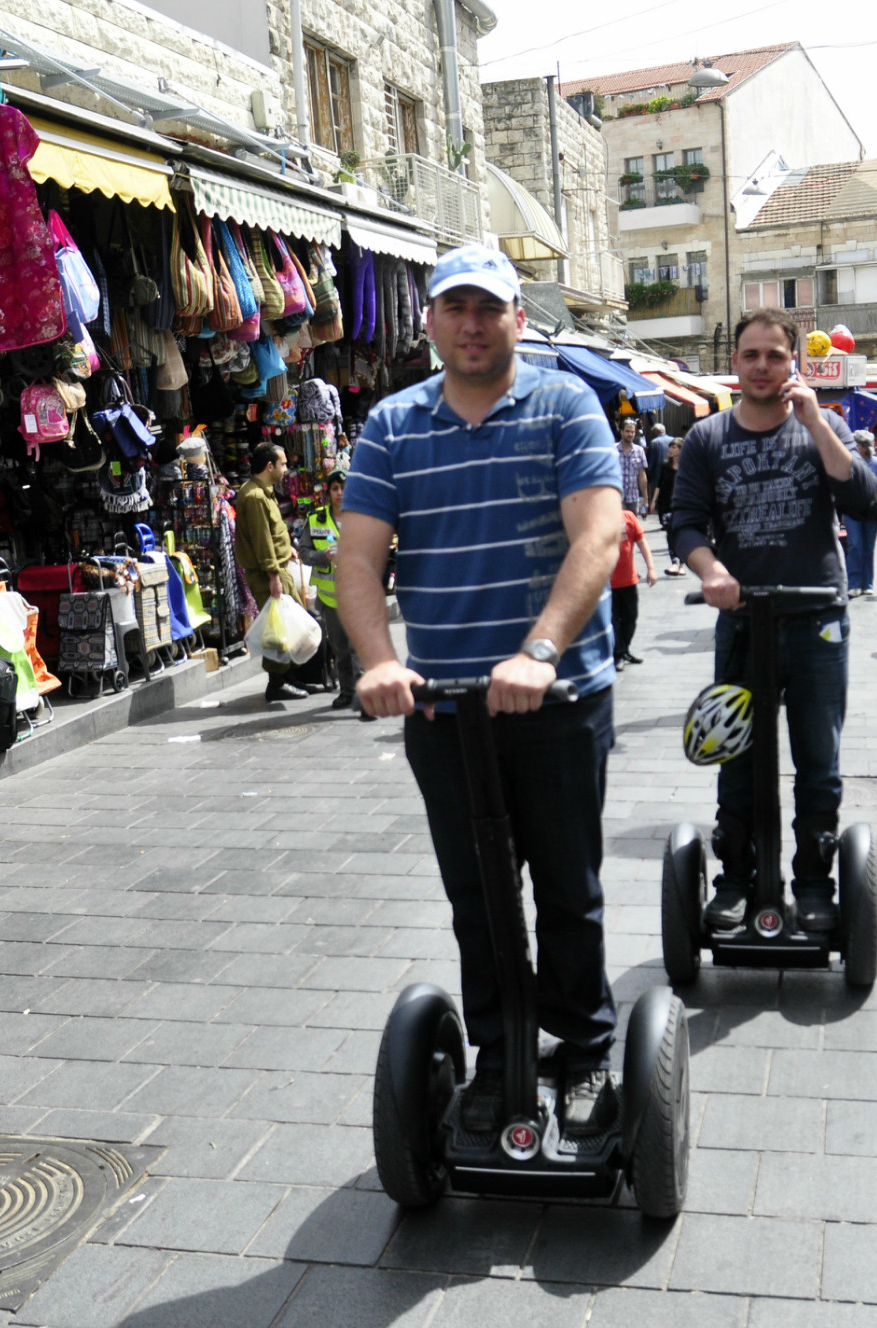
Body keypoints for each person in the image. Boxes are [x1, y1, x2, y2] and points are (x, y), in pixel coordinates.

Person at [334, 245, 625, 1136]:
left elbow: (598, 538)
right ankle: (500, 1053)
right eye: (455, 308)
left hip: (558, 698)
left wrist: (539, 649)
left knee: (567, 891)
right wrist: (377, 657)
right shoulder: (390, 424)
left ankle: (580, 1053)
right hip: (446, 706)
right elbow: (356, 554)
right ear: (428, 321)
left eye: (488, 309)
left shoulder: (566, 405)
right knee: (477, 893)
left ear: (516, 320)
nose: (471, 324)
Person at [669, 307, 877, 933]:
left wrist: (815, 420)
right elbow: (685, 523)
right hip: (743, 623)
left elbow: (864, 498)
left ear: (794, 364)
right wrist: (710, 572)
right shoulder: (708, 439)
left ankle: (814, 882)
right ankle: (737, 879)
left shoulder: (824, 426)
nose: (763, 366)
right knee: (736, 758)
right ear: (735, 363)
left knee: (819, 759)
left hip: (816, 617)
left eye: (775, 356)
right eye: (751, 355)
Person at [234, 443, 308, 704]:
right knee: (277, 630)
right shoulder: (254, 497)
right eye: (283, 464)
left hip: (277, 569)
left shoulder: (264, 493)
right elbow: (262, 540)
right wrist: (274, 576)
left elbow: (273, 535)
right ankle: (277, 684)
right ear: (270, 466)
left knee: (290, 624)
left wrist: (288, 552)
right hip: (268, 575)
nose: (286, 469)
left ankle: (289, 678)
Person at [294, 469, 366, 718]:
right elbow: (303, 551)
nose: (340, 493)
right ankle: (347, 691)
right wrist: (323, 557)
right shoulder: (316, 519)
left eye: (344, 488)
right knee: (340, 648)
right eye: (335, 488)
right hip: (329, 598)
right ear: (329, 492)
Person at [842, 430, 877, 598]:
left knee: (868, 547)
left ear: (862, 446)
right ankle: (853, 583)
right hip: (853, 508)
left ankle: (867, 583)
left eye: (856, 444)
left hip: (873, 508)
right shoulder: (848, 461)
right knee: (855, 545)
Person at [611, 505, 656, 667]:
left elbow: (642, 543)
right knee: (614, 620)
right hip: (608, 583)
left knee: (630, 619)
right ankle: (619, 654)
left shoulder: (629, 517)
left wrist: (651, 569)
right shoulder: (599, 519)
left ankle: (624, 651)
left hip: (629, 581)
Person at [654, 436, 686, 577]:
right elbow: (659, 485)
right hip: (665, 505)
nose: (671, 449)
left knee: (681, 535)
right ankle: (674, 562)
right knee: (670, 534)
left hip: (682, 505)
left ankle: (681, 565)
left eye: (674, 447)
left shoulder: (687, 467)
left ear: (680, 450)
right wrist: (653, 501)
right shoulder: (665, 466)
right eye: (670, 447)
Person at [616, 417, 649, 516]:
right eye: (627, 431)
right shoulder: (612, 450)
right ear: (621, 432)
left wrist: (645, 500)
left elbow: (642, 475)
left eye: (632, 432)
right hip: (617, 497)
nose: (630, 434)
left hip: (633, 498)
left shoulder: (639, 451)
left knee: (632, 528)